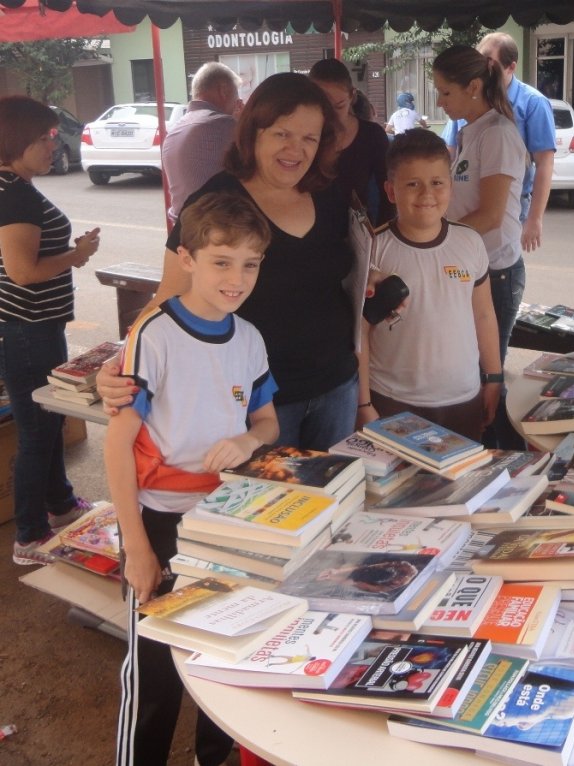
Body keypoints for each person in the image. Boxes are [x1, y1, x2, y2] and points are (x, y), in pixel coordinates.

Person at [106, 191, 279, 766]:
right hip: (159, 519)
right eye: (221, 261)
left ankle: (215, 755)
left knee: (218, 647)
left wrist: (248, 441)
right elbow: (116, 441)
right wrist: (136, 546)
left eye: (250, 264)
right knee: (155, 665)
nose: (237, 278)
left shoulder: (249, 338)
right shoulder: (153, 332)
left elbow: (266, 420)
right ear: (186, 258)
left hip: (224, 521)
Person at [98, 72, 360, 451]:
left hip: (336, 385)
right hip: (259, 404)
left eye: (309, 138)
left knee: (335, 503)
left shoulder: (329, 194)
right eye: (281, 134)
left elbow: (344, 272)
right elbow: (168, 296)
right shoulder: (216, 200)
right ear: (254, 132)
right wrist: (120, 364)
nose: (295, 150)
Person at [0, 96, 100, 566]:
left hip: (31, 327)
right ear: (17, 140)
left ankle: (59, 503)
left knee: (50, 418)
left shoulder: (12, 185)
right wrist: (77, 255)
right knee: (38, 428)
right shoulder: (14, 193)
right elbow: (22, 270)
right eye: (44, 136)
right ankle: (29, 537)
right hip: (27, 330)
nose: (53, 144)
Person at [356, 129, 502, 442]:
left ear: (450, 186)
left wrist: (494, 377)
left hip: (463, 398)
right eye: (412, 184)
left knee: (460, 489)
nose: (427, 195)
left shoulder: (470, 243)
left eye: (437, 182)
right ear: (391, 191)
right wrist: (364, 401)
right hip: (391, 400)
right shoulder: (372, 251)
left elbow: (484, 315)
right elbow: (360, 333)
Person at [433, 44, 527, 449]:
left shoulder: (499, 134)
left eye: (445, 92)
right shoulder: (470, 130)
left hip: (496, 271)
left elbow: (489, 215)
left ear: (474, 86)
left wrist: (434, 241)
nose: (439, 102)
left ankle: (508, 457)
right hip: (470, 267)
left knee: (489, 375)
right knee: (471, 372)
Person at [442, 32, 557, 253]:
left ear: (511, 67)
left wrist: (535, 219)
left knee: (497, 254)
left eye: (488, 62)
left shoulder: (532, 104)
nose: (482, 68)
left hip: (507, 201)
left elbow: (544, 163)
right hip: (467, 202)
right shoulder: (468, 101)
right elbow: (450, 152)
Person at [309, 58, 392, 224]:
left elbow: (388, 196)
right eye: (322, 106)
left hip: (357, 236)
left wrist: (380, 238)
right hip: (307, 232)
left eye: (339, 106)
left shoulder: (372, 135)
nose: (330, 115)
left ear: (352, 96)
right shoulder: (301, 135)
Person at [162, 61, 243, 224]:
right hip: (216, 228)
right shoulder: (222, 124)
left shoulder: (176, 128)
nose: (238, 101)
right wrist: (244, 121)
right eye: (236, 94)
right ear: (224, 90)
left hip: (183, 225)